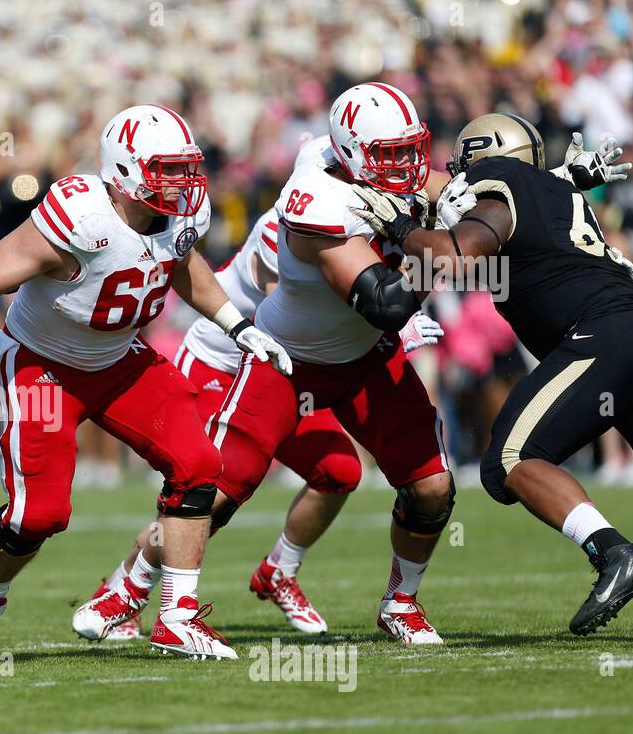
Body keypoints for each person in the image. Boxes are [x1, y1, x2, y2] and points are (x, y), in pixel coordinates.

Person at [0, 104, 291, 665]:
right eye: (165, 169)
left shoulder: (181, 212)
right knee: (36, 516)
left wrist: (237, 326)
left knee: (198, 464)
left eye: (184, 168)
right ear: (123, 170)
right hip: (42, 364)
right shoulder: (80, 215)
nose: (181, 183)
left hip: (120, 359)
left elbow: (181, 264)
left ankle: (176, 617)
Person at [78, 135, 446, 641]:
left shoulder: (368, 185)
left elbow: (444, 193)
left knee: (340, 470)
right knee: (209, 487)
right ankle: (125, 587)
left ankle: (280, 572)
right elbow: (345, 300)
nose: (401, 168)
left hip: (310, 359)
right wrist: (408, 297)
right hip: (228, 356)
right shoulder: (302, 217)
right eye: (386, 156)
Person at [351, 112, 633, 635]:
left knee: (510, 460)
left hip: (600, 333)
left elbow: (453, 256)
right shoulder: (557, 191)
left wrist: (402, 227)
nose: (452, 176)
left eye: (460, 165)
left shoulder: (498, 182)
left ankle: (614, 553)